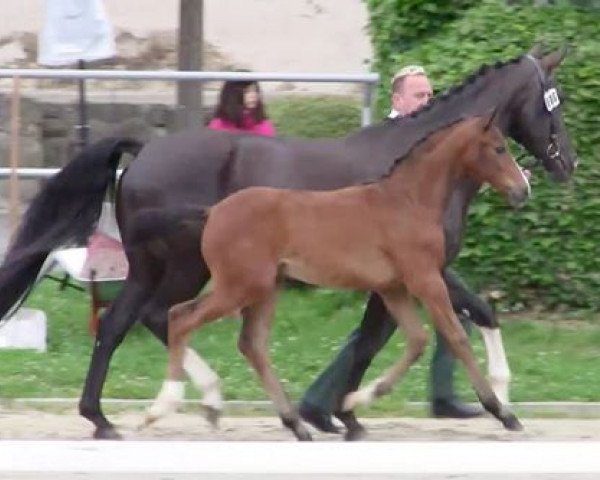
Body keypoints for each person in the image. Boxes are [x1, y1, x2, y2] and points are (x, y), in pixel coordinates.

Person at [299, 65, 484, 435]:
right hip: (383, 251)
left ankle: (320, 400)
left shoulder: (424, 138)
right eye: (419, 95)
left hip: (412, 248)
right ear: (397, 100)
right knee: (386, 329)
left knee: (383, 330)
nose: (428, 101)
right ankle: (439, 397)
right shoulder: (388, 141)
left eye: (430, 95)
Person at [207, 79, 275, 136]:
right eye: (247, 91)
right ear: (233, 95)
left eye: (256, 91)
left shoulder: (263, 124)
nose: (254, 95)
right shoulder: (218, 126)